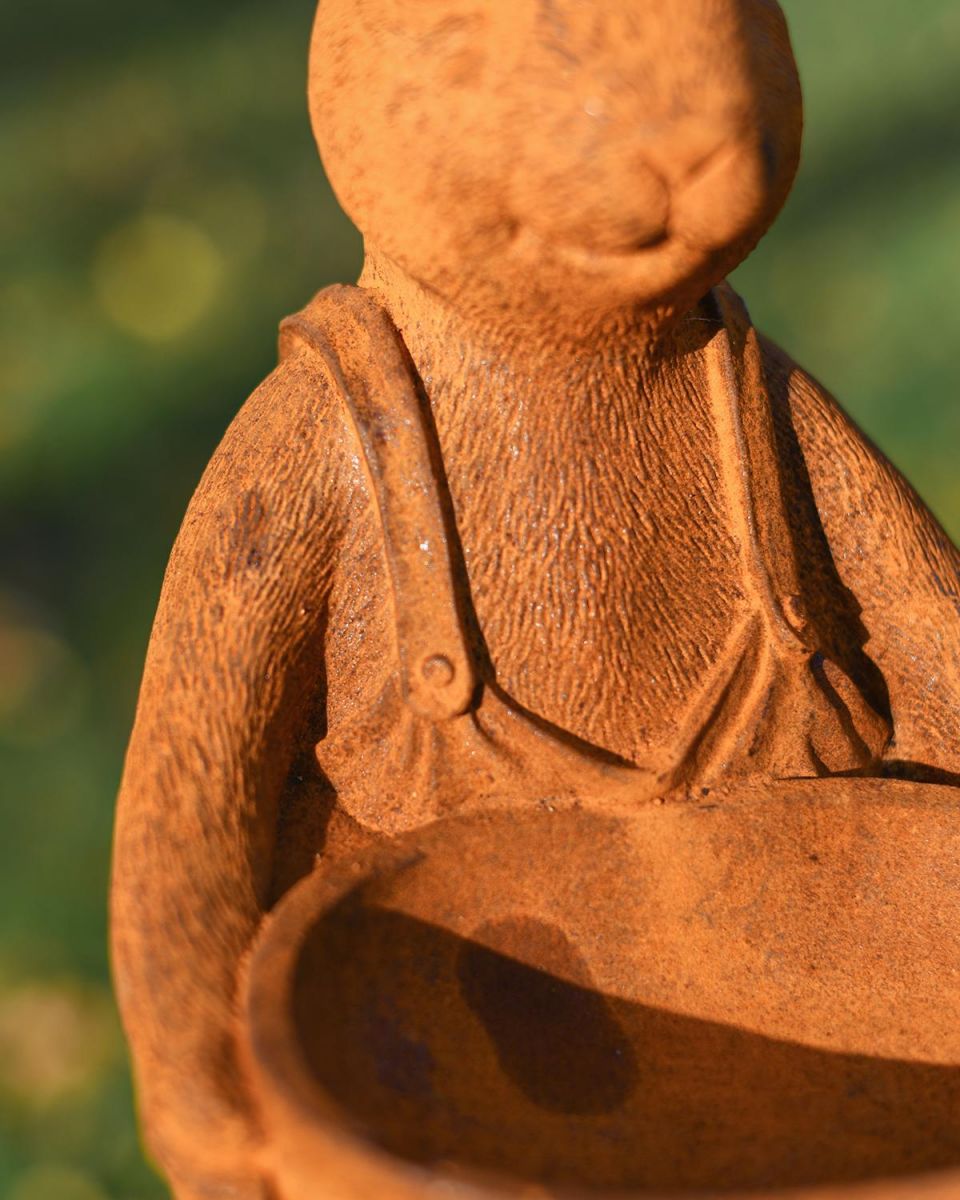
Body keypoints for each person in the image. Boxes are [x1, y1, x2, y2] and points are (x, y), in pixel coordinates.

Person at [111, 3, 960, 1196]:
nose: (707, 150)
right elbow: (193, 793)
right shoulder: (325, 445)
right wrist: (195, 1082)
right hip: (438, 1093)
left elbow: (936, 646)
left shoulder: (753, 408)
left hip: (843, 1065)